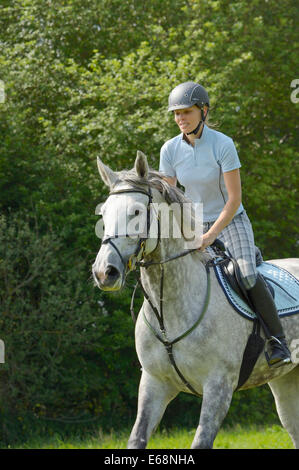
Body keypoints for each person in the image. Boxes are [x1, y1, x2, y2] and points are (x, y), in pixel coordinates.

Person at [159, 81, 291, 367]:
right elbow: (170, 200)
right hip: (193, 222)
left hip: (230, 220)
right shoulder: (169, 150)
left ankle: (278, 340)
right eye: (176, 114)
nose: (180, 118)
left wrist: (209, 236)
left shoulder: (223, 144)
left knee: (245, 274)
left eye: (186, 112)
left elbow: (233, 200)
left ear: (203, 111)